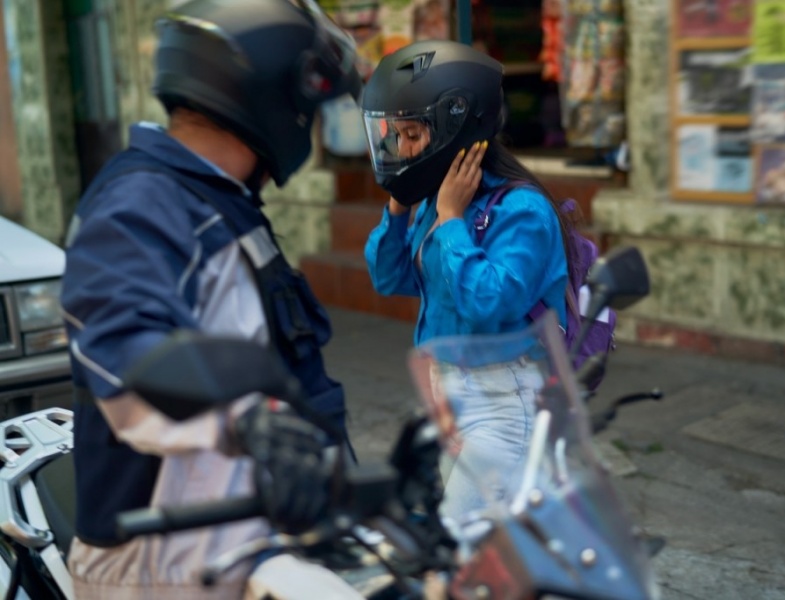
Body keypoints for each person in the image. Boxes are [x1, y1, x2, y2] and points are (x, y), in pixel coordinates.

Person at [60, 1, 364, 598]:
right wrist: (247, 418)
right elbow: (126, 351)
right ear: (278, 96)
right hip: (163, 557)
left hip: (245, 531)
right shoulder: (143, 204)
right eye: (312, 108)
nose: (314, 123)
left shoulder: (215, 199)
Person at [361, 40, 579, 522]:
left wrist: (453, 221)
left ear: (454, 129)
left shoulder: (521, 211)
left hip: (504, 396)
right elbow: (388, 276)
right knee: (483, 544)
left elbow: (490, 302)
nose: (401, 149)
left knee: (464, 531)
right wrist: (399, 207)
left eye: (412, 134)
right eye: (394, 136)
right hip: (449, 391)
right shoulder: (435, 204)